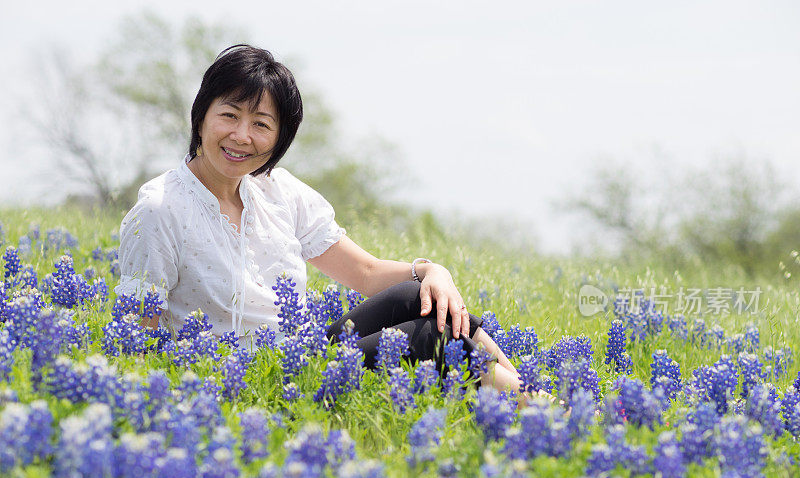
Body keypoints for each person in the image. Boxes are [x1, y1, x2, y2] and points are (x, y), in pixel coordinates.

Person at [115, 44, 539, 404]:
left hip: (304, 351)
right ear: (201, 116)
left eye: (261, 124)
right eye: (229, 115)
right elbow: (139, 339)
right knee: (427, 338)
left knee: (418, 296)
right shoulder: (160, 209)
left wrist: (433, 271)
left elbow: (365, 272)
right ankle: (543, 407)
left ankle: (531, 391)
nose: (242, 136)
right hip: (242, 378)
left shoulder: (276, 190)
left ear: (280, 138)